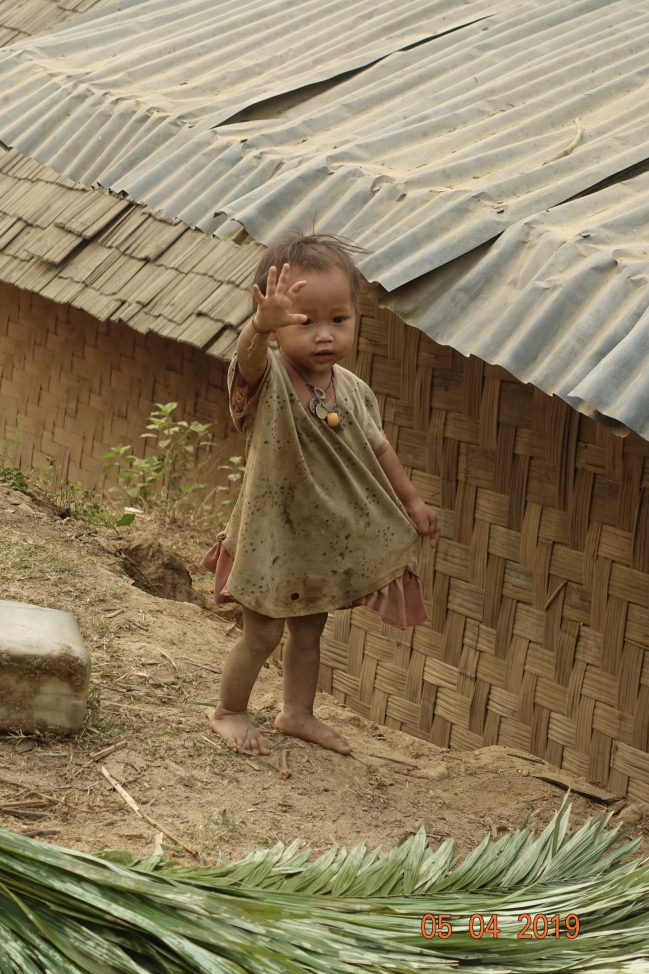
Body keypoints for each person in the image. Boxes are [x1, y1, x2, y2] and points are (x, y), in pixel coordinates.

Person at [201, 233, 440, 757]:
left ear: (357, 318)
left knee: (309, 632)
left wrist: (414, 503)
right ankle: (229, 710)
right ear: (275, 321)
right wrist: (258, 330)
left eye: (339, 319)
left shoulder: (352, 391)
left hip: (318, 542)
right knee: (261, 635)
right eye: (303, 322)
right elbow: (245, 365)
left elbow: (379, 451)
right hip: (272, 537)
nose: (324, 335)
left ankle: (297, 712)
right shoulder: (269, 381)